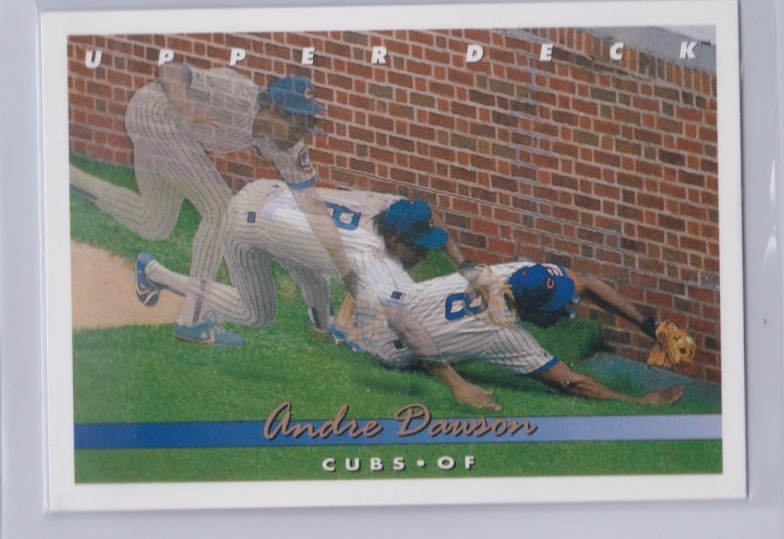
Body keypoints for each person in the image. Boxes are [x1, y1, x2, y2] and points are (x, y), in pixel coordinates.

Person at [70, 64, 354, 346]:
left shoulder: (286, 145)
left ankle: (71, 178)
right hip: (154, 112)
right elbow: (171, 70)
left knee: (153, 222)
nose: (299, 134)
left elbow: (314, 210)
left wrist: (347, 272)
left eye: (306, 125)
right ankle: (191, 320)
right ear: (273, 110)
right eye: (296, 124)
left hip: (171, 129)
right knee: (220, 209)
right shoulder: (237, 94)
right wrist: (186, 107)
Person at [134, 185, 454, 348]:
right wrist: (352, 331)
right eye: (417, 247)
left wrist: (462, 264)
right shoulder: (367, 253)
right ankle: (155, 273)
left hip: (272, 197)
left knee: (317, 281)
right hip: (251, 223)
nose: (423, 255)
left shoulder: (385, 208)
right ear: (395, 238)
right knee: (256, 314)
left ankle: (321, 326)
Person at [344, 261, 685, 410]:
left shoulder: (515, 274)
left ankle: (347, 314)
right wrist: (640, 402)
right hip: (387, 346)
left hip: (384, 299)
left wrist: (649, 326)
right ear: (532, 309)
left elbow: (587, 282)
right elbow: (572, 383)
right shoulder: (505, 336)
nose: (568, 309)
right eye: (557, 307)